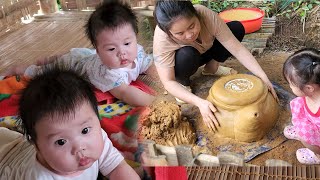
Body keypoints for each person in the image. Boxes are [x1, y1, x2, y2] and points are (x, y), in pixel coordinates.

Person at [152, 0, 278, 131]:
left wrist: (262, 76)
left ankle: (211, 68)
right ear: (168, 33)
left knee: (236, 28)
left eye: (192, 26)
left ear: (196, 15)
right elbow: (168, 81)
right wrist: (199, 103)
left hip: (205, 51)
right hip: (184, 62)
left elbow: (237, 49)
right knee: (187, 54)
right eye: (180, 33)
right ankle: (183, 84)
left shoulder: (205, 15)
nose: (189, 35)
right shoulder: (162, 39)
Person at [0, 1, 156, 107]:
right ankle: (19, 69)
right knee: (44, 70)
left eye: (127, 43)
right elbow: (125, 93)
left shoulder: (138, 53)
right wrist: (155, 102)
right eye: (111, 49)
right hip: (73, 65)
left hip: (85, 55)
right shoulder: (109, 73)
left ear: (135, 36)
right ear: (98, 49)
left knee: (73, 55)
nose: (122, 53)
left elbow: (151, 66)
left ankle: (48, 59)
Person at [0, 66, 140, 179]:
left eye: (84, 130)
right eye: (61, 142)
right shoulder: (41, 177)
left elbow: (117, 168)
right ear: (37, 146)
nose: (79, 147)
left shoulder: (97, 138)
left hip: (16, 145)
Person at [283, 48, 320, 164]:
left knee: (303, 134)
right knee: (300, 105)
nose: (289, 86)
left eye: (291, 84)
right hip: (313, 123)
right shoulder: (311, 93)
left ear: (309, 88)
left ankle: (317, 155)